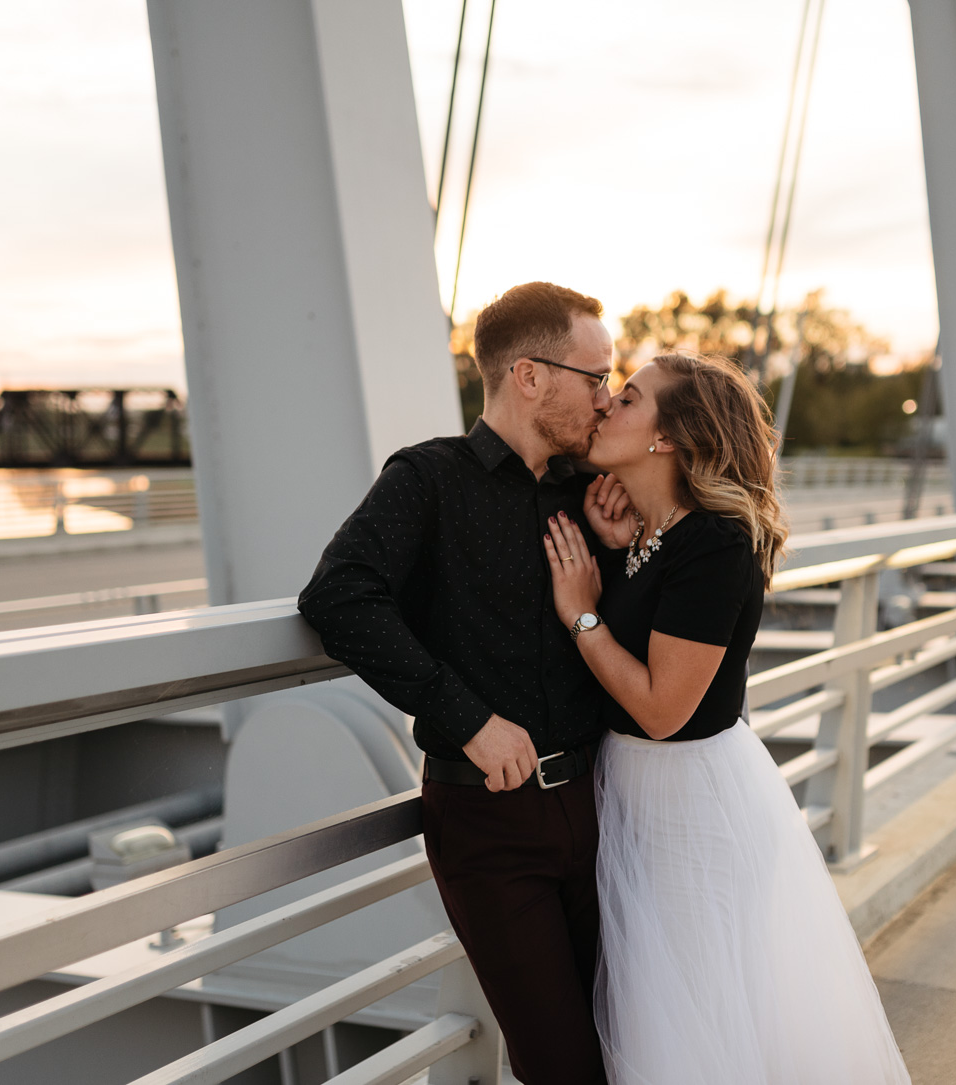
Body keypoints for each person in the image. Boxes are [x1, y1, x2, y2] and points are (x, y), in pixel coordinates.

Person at [298, 282, 637, 1085]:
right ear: (528, 376)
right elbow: (337, 597)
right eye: (594, 376)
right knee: (561, 1066)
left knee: (631, 1040)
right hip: (489, 823)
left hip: (603, 804)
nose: (606, 395)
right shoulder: (428, 480)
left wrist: (620, 550)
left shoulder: (587, 495)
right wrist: (469, 717)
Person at [544, 351, 912, 1084]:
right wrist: (617, 556)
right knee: (663, 1014)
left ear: (667, 437)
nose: (608, 404)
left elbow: (659, 707)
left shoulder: (714, 544)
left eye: (630, 398)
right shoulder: (654, 536)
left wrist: (581, 614)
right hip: (639, 795)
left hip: (689, 811)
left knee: (692, 1023)